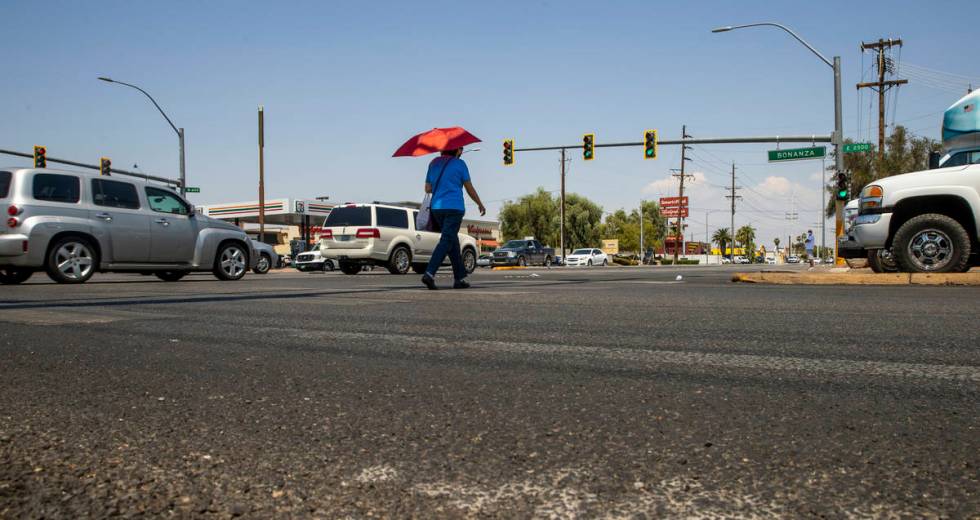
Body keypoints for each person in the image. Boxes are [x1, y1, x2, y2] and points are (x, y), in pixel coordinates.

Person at [420, 148, 485, 290]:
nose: (461, 151)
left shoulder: (433, 163)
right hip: (454, 208)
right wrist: (479, 203)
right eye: (460, 148)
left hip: (437, 208)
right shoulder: (460, 164)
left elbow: (427, 188)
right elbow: (469, 187)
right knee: (446, 241)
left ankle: (459, 278)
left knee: (452, 242)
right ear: (457, 150)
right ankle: (429, 273)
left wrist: (440, 184)